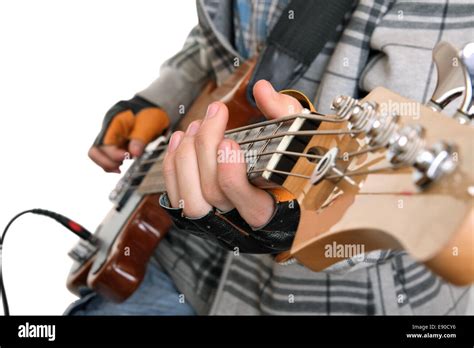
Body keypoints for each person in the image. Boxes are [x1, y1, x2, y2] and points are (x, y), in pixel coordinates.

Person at [66, 0, 473, 315]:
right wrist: (159, 98)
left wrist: (292, 221)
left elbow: (394, 202)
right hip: (178, 257)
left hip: (332, 301)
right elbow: (216, 45)